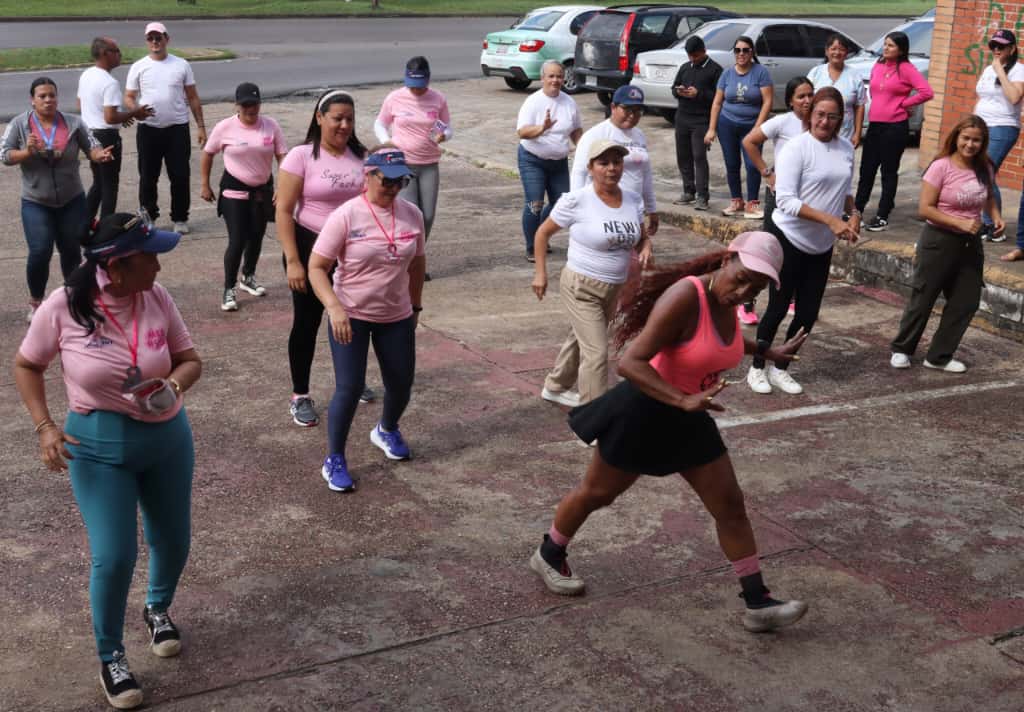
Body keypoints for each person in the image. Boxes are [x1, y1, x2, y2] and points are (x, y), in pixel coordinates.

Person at [527, 231, 810, 633]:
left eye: (757, 288)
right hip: (643, 410)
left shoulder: (723, 299)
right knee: (597, 494)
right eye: (742, 277)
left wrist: (766, 352)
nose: (744, 291)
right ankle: (548, 553)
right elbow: (630, 362)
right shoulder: (686, 295)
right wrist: (680, 400)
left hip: (689, 415)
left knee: (730, 505)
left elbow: (718, 338)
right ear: (727, 258)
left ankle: (757, 602)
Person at [13, 212, 201, 710]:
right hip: (98, 448)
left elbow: (190, 358)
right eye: (150, 259)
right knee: (115, 555)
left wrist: (174, 385)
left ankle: (157, 608)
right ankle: (111, 655)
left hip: (167, 441)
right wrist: (45, 426)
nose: (158, 268)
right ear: (116, 268)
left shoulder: (157, 296)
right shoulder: (64, 307)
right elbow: (28, 365)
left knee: (173, 541)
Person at [307, 149, 426, 493]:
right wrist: (334, 307)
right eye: (386, 180)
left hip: (396, 314)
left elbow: (417, 264)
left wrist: (416, 306)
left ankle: (386, 429)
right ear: (368, 176)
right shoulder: (346, 216)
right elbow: (317, 267)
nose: (393, 188)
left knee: (401, 383)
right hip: (351, 315)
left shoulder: (412, 215)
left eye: (400, 181)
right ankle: (335, 459)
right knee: (350, 387)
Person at [747, 88, 859, 396]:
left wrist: (853, 215)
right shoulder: (796, 148)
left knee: (808, 313)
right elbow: (785, 201)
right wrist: (830, 219)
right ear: (809, 115)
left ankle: (781, 367)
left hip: (821, 244)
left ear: (840, 119)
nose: (825, 121)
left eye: (832, 116)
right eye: (820, 114)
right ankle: (757, 367)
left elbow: (846, 190)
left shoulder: (846, 148)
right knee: (778, 307)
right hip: (789, 238)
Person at [533, 139, 653, 408]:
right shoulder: (577, 200)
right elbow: (542, 233)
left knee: (582, 338)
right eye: (604, 163)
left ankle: (555, 386)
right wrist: (540, 274)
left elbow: (641, 237)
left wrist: (646, 247)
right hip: (581, 286)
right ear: (590, 167)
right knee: (597, 353)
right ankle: (593, 418)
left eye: (617, 162)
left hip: (614, 287)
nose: (612, 168)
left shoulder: (632, 200)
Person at [276, 89, 370, 428]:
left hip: (351, 250)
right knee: (307, 322)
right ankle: (300, 394)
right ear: (319, 118)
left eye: (350, 119)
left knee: (352, 318)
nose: (344, 125)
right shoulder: (301, 156)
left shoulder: (361, 156)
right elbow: (284, 211)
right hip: (308, 246)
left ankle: (351, 381)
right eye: (337, 118)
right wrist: (292, 260)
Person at [890, 116, 999, 373]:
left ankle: (939, 356)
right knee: (924, 296)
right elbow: (925, 209)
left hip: (970, 245)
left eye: (976, 140)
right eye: (966, 138)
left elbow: (989, 195)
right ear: (956, 137)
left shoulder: (985, 166)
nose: (970, 144)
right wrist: (959, 223)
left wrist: (994, 215)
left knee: (967, 300)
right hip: (939, 240)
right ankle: (902, 348)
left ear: (983, 143)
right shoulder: (941, 166)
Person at [1, 76, 114, 323]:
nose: (48, 100)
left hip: (72, 198)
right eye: (42, 96)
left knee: (71, 249)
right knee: (40, 250)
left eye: (52, 95)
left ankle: (72, 298)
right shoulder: (20, 124)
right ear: (32, 100)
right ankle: (37, 301)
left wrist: (98, 155)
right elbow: (5, 155)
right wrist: (26, 152)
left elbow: (91, 146)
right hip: (35, 200)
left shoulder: (73, 123)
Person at [200, 82, 288, 312]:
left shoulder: (271, 126)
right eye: (246, 105)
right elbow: (208, 153)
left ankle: (248, 276)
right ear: (237, 105)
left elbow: (283, 157)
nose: (251, 109)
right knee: (237, 239)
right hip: (234, 191)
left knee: (256, 237)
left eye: (255, 104)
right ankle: (229, 288)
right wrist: (205, 185)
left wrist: (282, 186)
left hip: (261, 191)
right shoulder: (224, 127)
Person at [739, 76, 815, 326]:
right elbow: (749, 142)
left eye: (810, 95)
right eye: (801, 96)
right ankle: (746, 300)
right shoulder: (782, 122)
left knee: (798, 250)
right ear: (790, 101)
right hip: (779, 198)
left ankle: (790, 296)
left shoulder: (818, 124)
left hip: (804, 202)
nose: (807, 100)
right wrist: (767, 173)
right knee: (769, 251)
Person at [125, 21, 207, 234]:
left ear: (167, 39)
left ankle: (180, 217)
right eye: (150, 38)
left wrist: (201, 126)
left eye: (158, 37)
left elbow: (192, 96)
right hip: (149, 129)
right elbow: (129, 96)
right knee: (148, 176)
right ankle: (148, 216)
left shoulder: (181, 65)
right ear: (146, 41)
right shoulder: (139, 66)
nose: (154, 42)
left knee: (180, 175)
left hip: (177, 128)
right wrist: (135, 110)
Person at [854, 31, 934, 232]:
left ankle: (882, 214)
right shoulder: (878, 65)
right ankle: (857, 210)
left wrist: (904, 103)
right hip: (875, 125)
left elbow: (927, 92)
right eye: (885, 44)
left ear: (900, 49)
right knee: (866, 170)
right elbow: (874, 91)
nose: (886, 48)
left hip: (895, 127)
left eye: (890, 45)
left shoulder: (907, 68)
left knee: (888, 172)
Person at [374, 56, 452, 257]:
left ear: (428, 79)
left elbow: (447, 127)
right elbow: (380, 123)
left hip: (429, 165)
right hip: (403, 164)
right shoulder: (394, 98)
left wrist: (444, 136)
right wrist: (386, 140)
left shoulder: (438, 99)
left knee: (427, 216)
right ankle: (407, 259)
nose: (416, 90)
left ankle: (417, 255)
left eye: (420, 85)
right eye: (412, 85)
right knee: (411, 214)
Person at [78, 37, 155, 222]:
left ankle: (82, 225)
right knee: (110, 186)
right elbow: (110, 117)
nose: (120, 54)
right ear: (105, 54)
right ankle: (106, 229)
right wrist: (134, 112)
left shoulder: (87, 74)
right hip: (106, 137)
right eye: (116, 50)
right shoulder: (109, 82)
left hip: (89, 135)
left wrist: (123, 117)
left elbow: (81, 104)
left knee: (98, 183)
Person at [570, 85, 659, 237]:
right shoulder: (595, 135)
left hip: (632, 210)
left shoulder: (639, 136)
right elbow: (579, 173)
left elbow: (646, 174)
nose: (632, 115)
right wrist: (577, 210)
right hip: (602, 209)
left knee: (637, 256)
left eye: (638, 111)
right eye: (627, 109)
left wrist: (652, 208)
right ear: (613, 107)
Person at [517, 59, 582, 262]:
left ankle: (541, 235)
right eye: (551, 76)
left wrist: (585, 148)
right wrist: (542, 128)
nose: (555, 80)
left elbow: (576, 130)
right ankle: (531, 247)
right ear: (542, 78)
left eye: (559, 76)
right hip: (532, 159)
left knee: (561, 204)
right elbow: (522, 132)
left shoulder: (569, 102)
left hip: (558, 162)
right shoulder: (533, 101)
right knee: (535, 203)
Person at [705, 35, 773, 220]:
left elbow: (767, 101)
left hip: (752, 125)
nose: (741, 54)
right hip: (727, 124)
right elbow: (717, 103)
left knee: (752, 165)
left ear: (752, 52)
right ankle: (736, 201)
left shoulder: (760, 72)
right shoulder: (727, 74)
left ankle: (752, 204)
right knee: (732, 164)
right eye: (737, 50)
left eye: (745, 50)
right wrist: (712, 128)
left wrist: (758, 127)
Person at [974, 29, 1024, 243]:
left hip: (1003, 127)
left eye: (1001, 46)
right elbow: (982, 98)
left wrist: (1000, 70)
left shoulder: (1019, 70)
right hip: (981, 127)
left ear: (1012, 49)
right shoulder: (987, 69)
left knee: (985, 171)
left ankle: (994, 226)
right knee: (981, 173)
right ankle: (988, 222)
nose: (996, 50)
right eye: (993, 45)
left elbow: (1014, 97)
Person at [671, 34, 723, 212]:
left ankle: (702, 195)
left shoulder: (715, 70)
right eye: (690, 56)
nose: (693, 59)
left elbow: (718, 98)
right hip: (682, 117)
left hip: (701, 120)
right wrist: (679, 92)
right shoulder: (685, 67)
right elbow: (674, 87)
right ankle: (688, 190)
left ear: (704, 51)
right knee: (683, 155)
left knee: (699, 157)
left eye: (695, 55)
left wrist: (698, 94)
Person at [806, 33, 866, 146]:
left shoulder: (854, 75)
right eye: (833, 49)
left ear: (846, 53)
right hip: (818, 130)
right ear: (826, 51)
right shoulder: (816, 72)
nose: (837, 53)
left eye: (841, 49)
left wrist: (857, 133)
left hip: (845, 133)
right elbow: (807, 100)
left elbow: (860, 106)